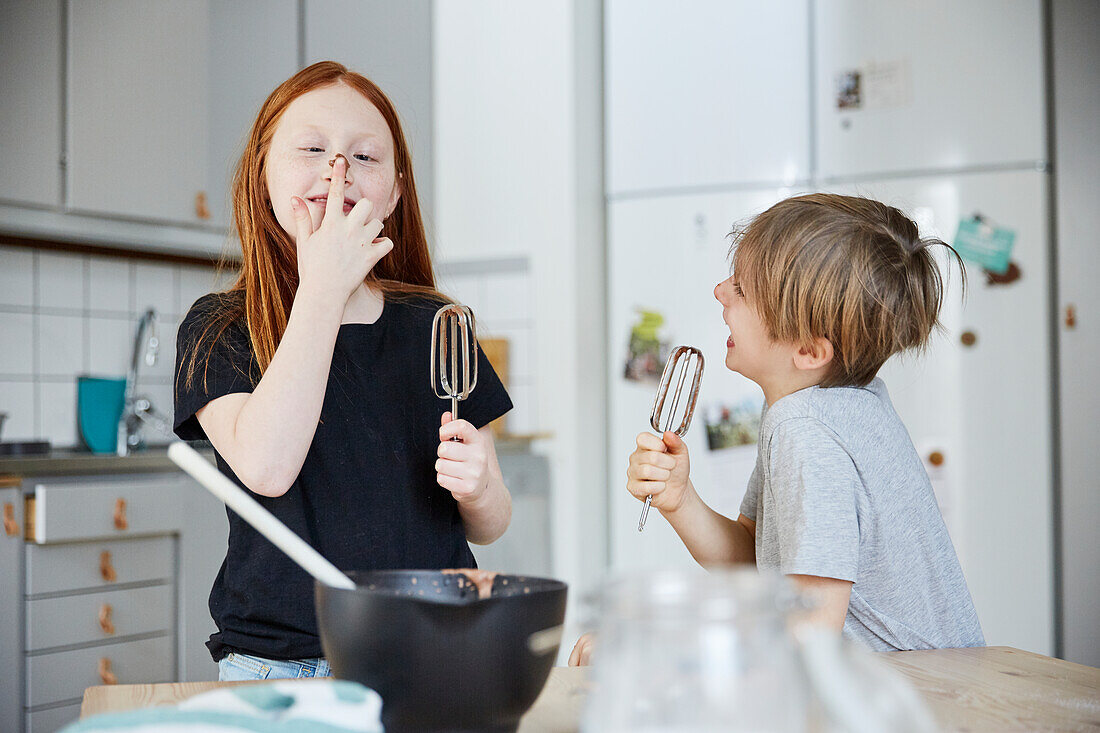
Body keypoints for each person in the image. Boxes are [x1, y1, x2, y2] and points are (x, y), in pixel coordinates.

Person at [174, 61, 513, 681]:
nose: (339, 171)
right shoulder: (218, 328)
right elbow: (267, 468)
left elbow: (490, 524)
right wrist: (322, 289)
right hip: (281, 670)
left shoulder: (437, 322)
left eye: (365, 156)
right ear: (262, 173)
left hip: (436, 651)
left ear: (396, 188)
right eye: (311, 149)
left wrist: (480, 489)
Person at [571, 193, 984, 665]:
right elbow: (756, 560)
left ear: (809, 351)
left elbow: (805, 636)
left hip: (921, 699)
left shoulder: (806, 431)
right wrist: (681, 499)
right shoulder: (826, 406)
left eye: (743, 290)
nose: (720, 291)